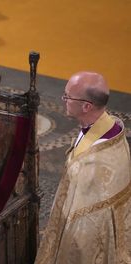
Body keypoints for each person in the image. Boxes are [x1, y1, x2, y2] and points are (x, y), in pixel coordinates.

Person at [35, 72, 131, 263]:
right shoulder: (105, 125)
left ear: (87, 106)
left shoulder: (94, 163)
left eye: (68, 96)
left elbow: (84, 227)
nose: (63, 100)